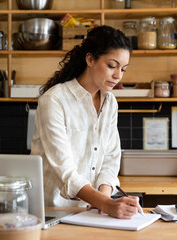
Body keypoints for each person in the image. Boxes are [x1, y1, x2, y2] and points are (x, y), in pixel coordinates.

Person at [31, 25, 142, 219]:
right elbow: (65, 171)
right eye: (111, 66)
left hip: (92, 212)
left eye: (123, 69)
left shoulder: (110, 102)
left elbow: (110, 158)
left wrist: (102, 199)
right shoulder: (54, 100)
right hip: (52, 211)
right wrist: (106, 204)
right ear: (90, 59)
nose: (118, 76)